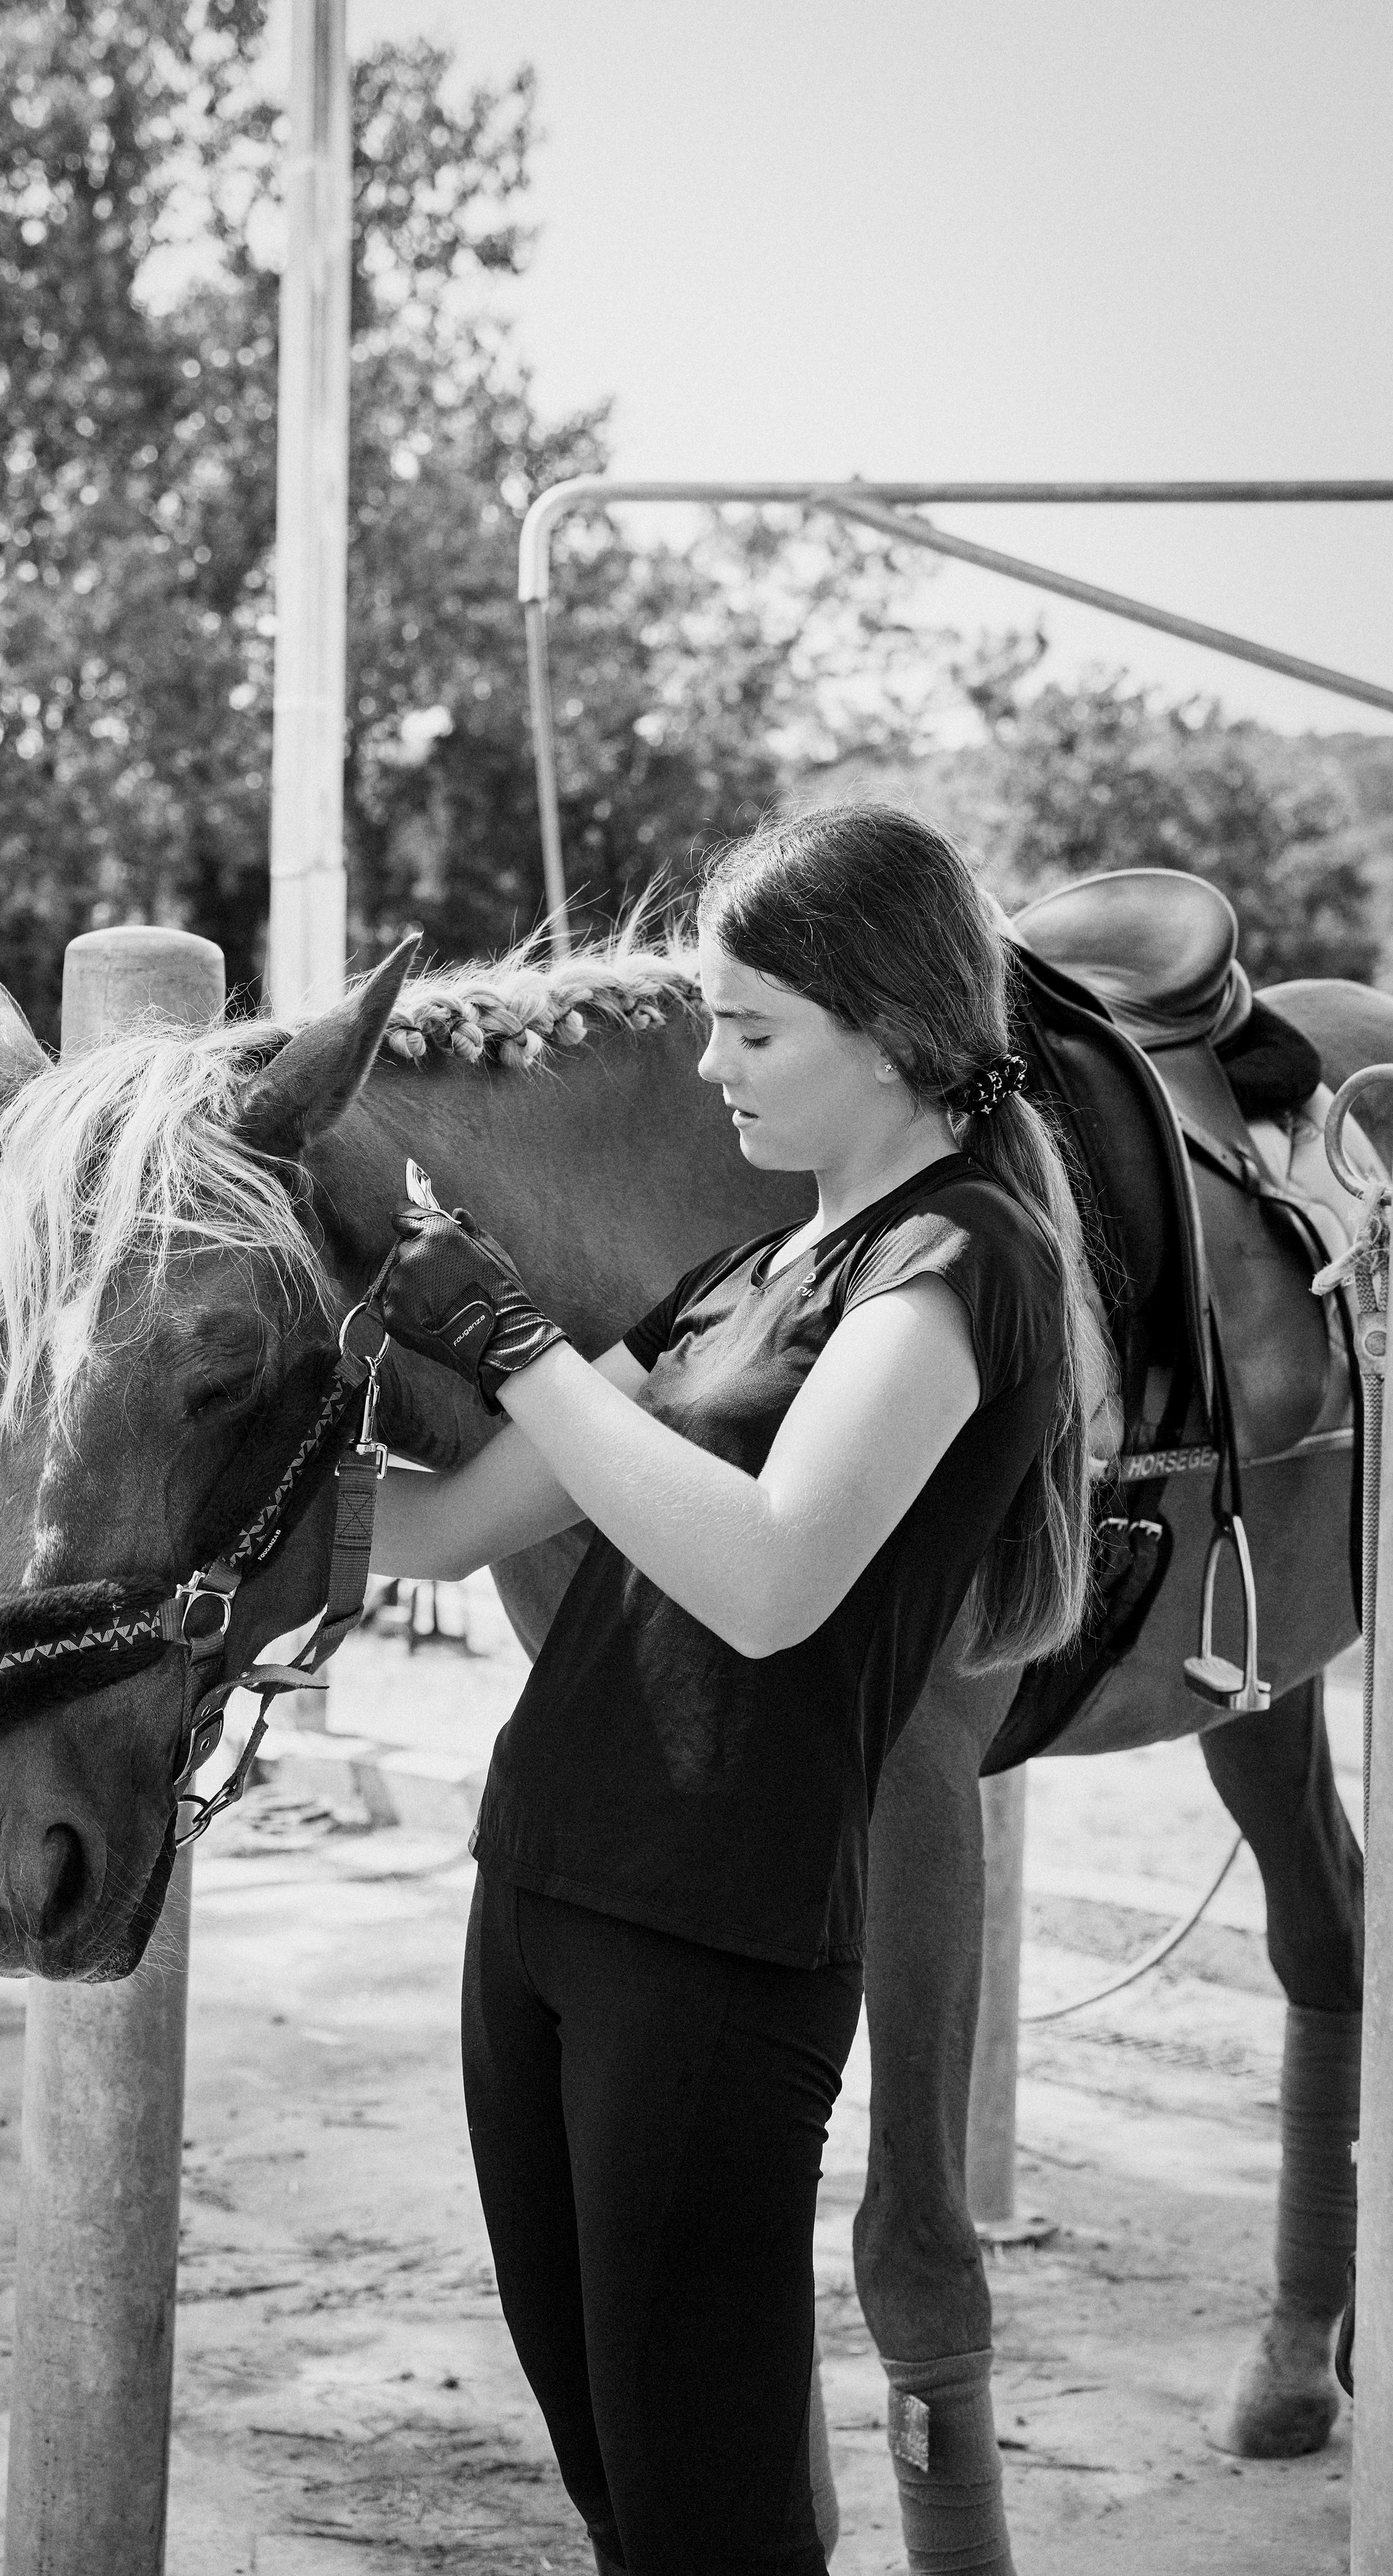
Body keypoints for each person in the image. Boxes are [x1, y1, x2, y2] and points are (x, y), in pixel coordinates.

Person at [366, 804, 1098, 2576]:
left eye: (753, 1028)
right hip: (534, 1901)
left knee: (714, 2522)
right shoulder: (735, 1279)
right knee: (622, 2493)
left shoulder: (963, 1266)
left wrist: (519, 1344)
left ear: (901, 1035)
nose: (711, 1069)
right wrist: (95, 1481)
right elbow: (452, 1530)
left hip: (711, 1948)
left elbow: (772, 1578)